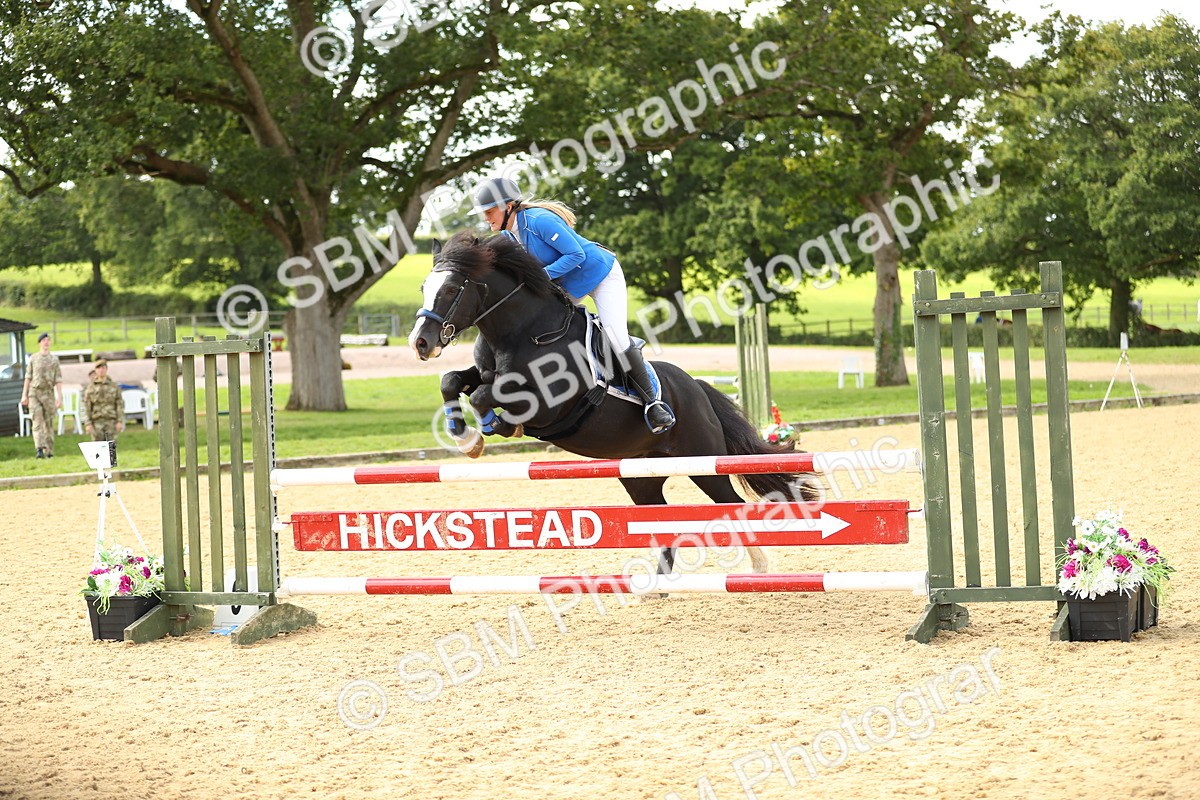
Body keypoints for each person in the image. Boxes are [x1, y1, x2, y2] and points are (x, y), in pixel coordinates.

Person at [473, 176, 676, 434]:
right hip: (567, 282)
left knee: (615, 336)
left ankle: (652, 403)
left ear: (508, 206)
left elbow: (576, 254)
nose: (486, 218)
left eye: (490, 212)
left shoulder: (539, 221)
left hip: (600, 274)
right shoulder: (509, 236)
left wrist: (541, 277)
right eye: (484, 213)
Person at [20, 332, 63, 458]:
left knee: (48, 423)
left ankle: (49, 450)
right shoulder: (33, 359)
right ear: (39, 343)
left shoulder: (54, 360)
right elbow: (28, 377)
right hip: (35, 393)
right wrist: (24, 395)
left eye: (48, 340)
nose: (46, 342)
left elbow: (58, 379)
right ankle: (39, 448)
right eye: (44, 340)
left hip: (48, 393)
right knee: (37, 421)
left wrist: (59, 397)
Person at [81, 359, 125, 443]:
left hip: (111, 421)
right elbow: (87, 407)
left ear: (106, 369)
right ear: (96, 370)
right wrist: (88, 423)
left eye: (103, 368)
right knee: (98, 451)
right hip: (96, 422)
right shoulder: (91, 388)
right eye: (99, 368)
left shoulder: (114, 386)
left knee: (111, 450)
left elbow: (119, 404)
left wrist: (119, 421)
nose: (101, 370)